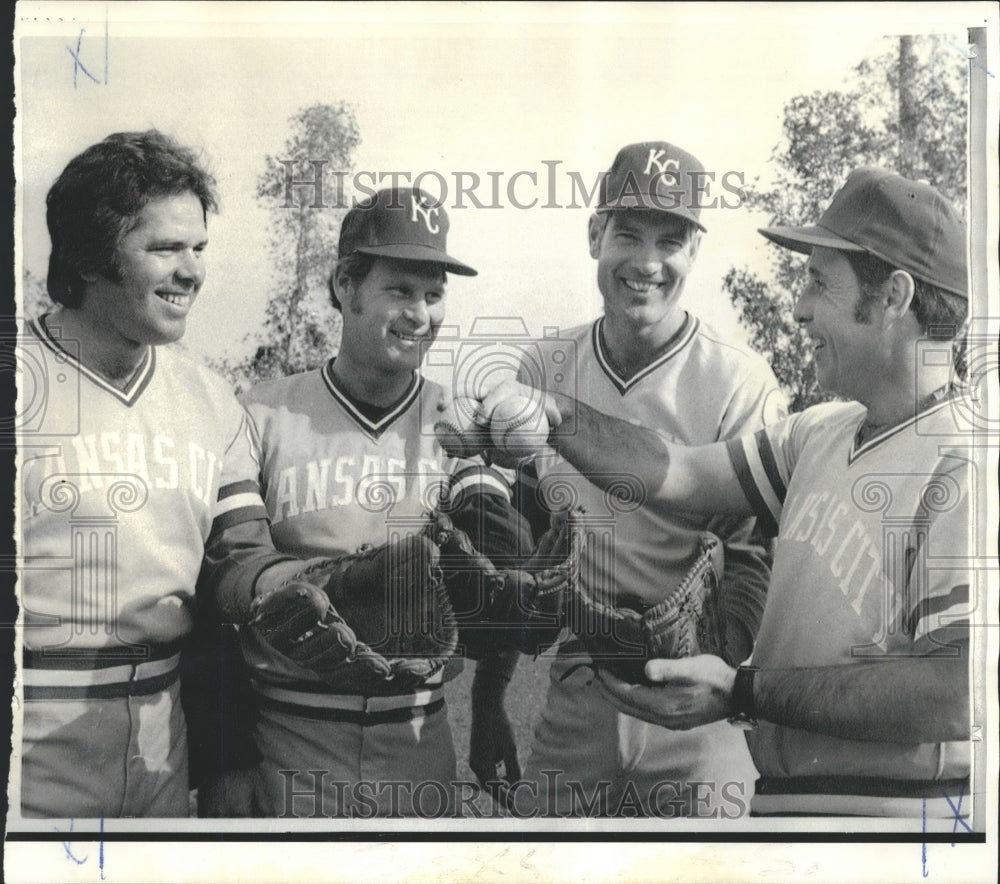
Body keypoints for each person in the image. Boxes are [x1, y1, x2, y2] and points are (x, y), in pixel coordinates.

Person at [481, 167, 975, 819]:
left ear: (893, 295)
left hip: (898, 825)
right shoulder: (818, 432)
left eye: (819, 282)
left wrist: (743, 692)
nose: (799, 307)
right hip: (787, 810)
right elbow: (679, 473)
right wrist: (553, 414)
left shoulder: (966, 463)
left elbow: (956, 692)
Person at [200, 187, 528, 818]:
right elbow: (216, 594)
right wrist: (226, 761)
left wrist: (489, 702)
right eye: (400, 289)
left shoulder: (456, 423)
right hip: (290, 741)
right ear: (346, 286)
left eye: (434, 295)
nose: (420, 314)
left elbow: (498, 567)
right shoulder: (261, 413)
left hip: (416, 739)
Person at [503, 142, 785, 818]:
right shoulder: (542, 366)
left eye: (671, 240)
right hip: (581, 677)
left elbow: (759, 556)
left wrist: (718, 673)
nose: (647, 262)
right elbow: (521, 537)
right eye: (629, 233)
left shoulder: (739, 380)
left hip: (702, 687)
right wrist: (489, 701)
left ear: (695, 252)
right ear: (595, 234)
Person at [17, 130, 282, 817]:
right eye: (164, 248)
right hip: (34, 745)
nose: (192, 271)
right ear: (87, 253)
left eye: (198, 247)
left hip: (166, 743)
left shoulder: (210, 396)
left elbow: (237, 560)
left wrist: (303, 586)